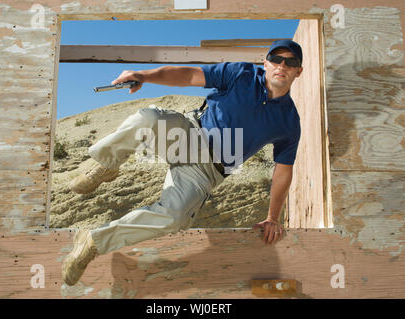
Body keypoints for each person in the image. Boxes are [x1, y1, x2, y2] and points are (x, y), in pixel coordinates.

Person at [62, 40, 304, 286]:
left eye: (291, 62)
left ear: (298, 71)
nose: (281, 66)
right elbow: (189, 76)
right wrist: (144, 75)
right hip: (188, 133)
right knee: (149, 118)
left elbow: (283, 170)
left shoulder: (289, 123)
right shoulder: (240, 74)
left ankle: (92, 242)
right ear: (265, 62)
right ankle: (106, 166)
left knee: (176, 216)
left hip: (207, 171)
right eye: (276, 59)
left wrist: (273, 217)